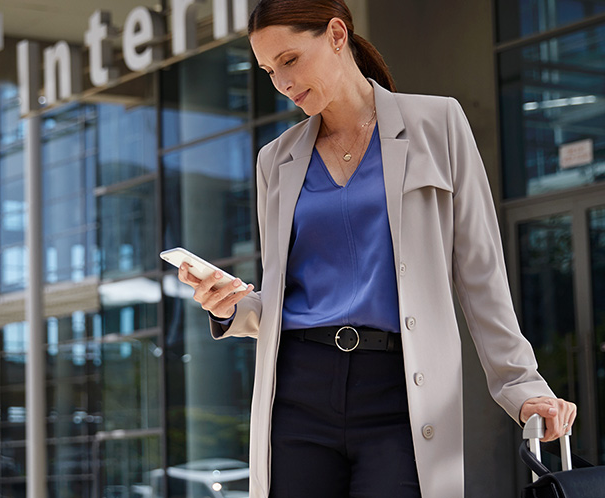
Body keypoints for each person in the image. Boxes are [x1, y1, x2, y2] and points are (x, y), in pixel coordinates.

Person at [174, 1, 577, 497]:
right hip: (298, 392)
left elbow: (481, 274)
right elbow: (287, 297)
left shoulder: (438, 123)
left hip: (402, 390)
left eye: (290, 59)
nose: (280, 82)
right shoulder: (274, 162)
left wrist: (524, 388)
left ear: (337, 34)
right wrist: (233, 307)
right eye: (267, 70)